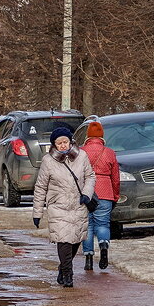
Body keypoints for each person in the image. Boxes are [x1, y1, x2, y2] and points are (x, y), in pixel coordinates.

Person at [32, 126, 95, 287]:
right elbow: (41, 187)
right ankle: (68, 273)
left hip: (79, 204)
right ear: (54, 144)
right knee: (64, 240)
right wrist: (37, 212)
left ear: (70, 141)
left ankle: (62, 268)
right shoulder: (48, 161)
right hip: (58, 206)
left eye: (65, 142)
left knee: (75, 240)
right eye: (58, 143)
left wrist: (87, 194)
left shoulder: (81, 156)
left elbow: (90, 176)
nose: (62, 146)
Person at [80, 121, 120, 270]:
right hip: (105, 191)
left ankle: (89, 259)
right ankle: (103, 246)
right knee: (103, 224)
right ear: (102, 135)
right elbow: (115, 178)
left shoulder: (81, 151)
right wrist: (115, 195)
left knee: (88, 226)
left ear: (87, 135)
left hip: (87, 193)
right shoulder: (109, 152)